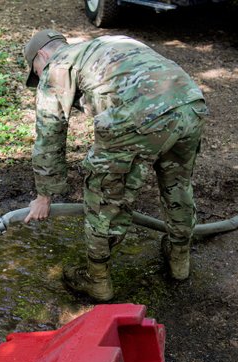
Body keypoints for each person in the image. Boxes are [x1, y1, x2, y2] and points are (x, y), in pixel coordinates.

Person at [22, 30, 208, 301]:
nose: (40, 77)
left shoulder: (56, 65)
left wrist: (43, 196)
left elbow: (49, 136)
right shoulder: (107, 44)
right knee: (177, 184)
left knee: (104, 196)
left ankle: (97, 280)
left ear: (43, 55)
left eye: (36, 72)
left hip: (142, 114)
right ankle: (179, 262)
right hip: (190, 103)